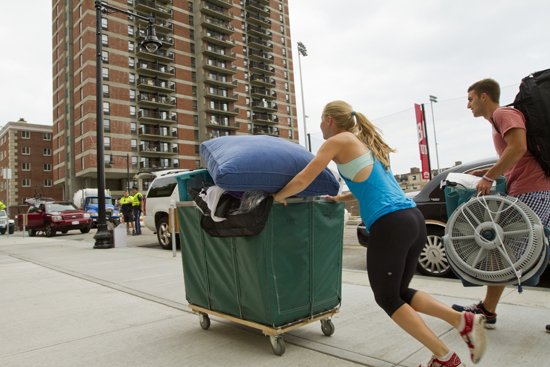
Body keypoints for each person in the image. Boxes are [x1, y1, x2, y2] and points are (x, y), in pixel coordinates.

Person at [273, 100, 487, 367]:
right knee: (398, 291)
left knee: (387, 298)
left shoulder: (337, 141)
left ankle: (445, 358)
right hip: (412, 219)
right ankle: (461, 320)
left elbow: (304, 179)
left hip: (391, 224)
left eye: (320, 119)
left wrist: (276, 197)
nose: (319, 125)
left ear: (329, 120)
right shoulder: (365, 145)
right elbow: (372, 185)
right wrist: (341, 199)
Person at [453, 79, 550, 331]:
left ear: (484, 96)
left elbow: (519, 147)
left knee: (504, 250)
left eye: (470, 98)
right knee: (503, 250)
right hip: (535, 190)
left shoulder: (503, 113)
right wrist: (488, 170)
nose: (468, 105)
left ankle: (487, 310)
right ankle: (488, 310)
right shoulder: (499, 119)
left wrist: (489, 177)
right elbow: (518, 158)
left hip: (533, 192)